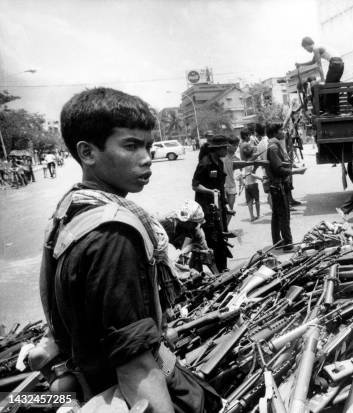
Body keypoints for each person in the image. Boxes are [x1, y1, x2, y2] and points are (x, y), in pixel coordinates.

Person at [39, 87, 220, 412]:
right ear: (87, 152)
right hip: (124, 390)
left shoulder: (73, 206)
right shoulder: (114, 235)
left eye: (149, 146)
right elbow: (134, 366)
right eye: (131, 145)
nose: (147, 157)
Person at [192, 135, 231, 271]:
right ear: (217, 149)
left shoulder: (219, 163)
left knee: (221, 238)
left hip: (218, 207)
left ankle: (223, 269)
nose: (227, 150)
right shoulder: (205, 163)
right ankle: (213, 270)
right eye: (224, 147)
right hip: (205, 209)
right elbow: (195, 185)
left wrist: (225, 203)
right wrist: (210, 191)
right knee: (211, 239)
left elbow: (220, 186)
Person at [265, 123, 306, 251]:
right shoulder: (274, 147)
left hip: (275, 186)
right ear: (275, 132)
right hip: (278, 186)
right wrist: (296, 172)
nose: (283, 132)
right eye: (281, 130)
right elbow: (278, 169)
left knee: (277, 215)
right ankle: (288, 244)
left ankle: (277, 242)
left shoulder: (274, 145)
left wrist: (292, 166)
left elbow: (279, 163)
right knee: (284, 216)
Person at [296, 37, 344, 115]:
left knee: (328, 87)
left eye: (305, 48)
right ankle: (335, 110)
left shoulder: (315, 49)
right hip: (340, 64)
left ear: (307, 45)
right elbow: (312, 61)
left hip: (335, 63)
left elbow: (319, 65)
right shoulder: (318, 47)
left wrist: (322, 80)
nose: (307, 50)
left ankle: (330, 111)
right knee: (333, 87)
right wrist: (300, 64)